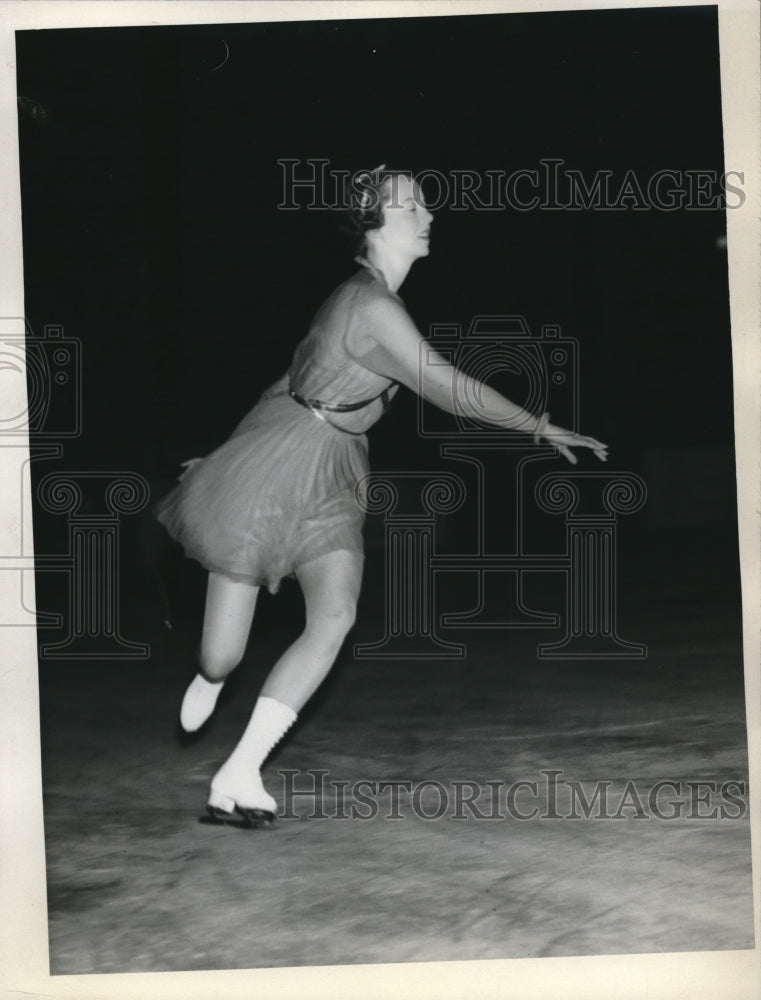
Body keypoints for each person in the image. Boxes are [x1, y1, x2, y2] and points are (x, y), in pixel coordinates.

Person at [156, 166, 607, 829]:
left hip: (334, 469)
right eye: (412, 205)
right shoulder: (368, 306)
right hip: (276, 463)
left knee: (333, 617)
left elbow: (293, 376)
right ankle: (212, 676)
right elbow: (443, 388)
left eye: (424, 204)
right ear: (373, 221)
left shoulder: (375, 300)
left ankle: (239, 773)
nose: (428, 214)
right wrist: (535, 425)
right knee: (219, 656)